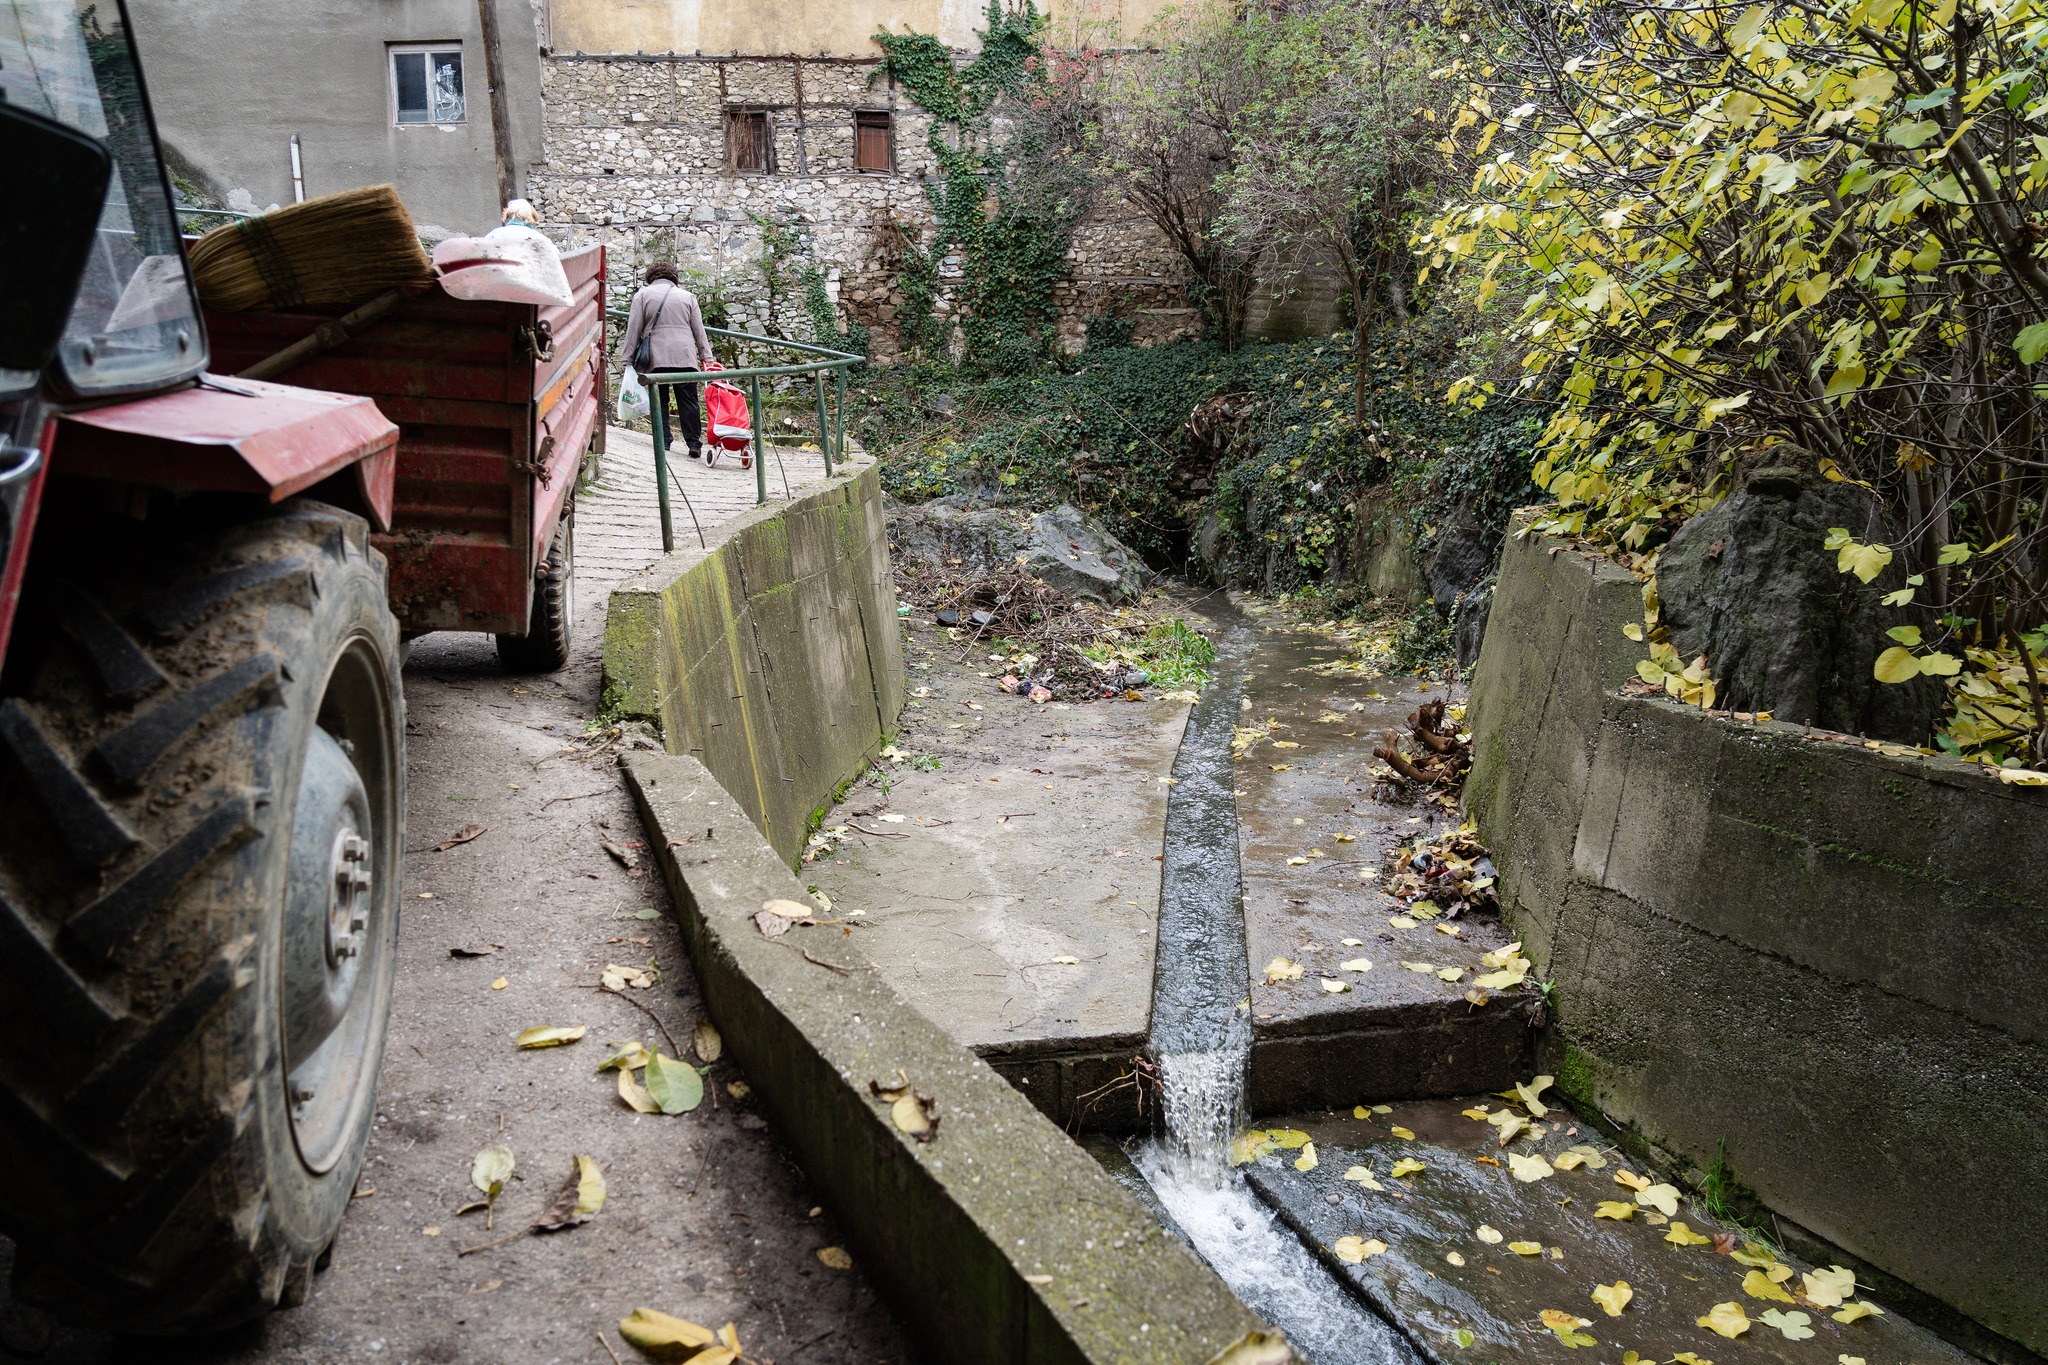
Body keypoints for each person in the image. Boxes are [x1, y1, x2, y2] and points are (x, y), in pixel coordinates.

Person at [619, 262, 715, 459]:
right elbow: (699, 331)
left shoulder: (642, 296)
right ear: (674, 278)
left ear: (650, 277)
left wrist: (627, 358)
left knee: (659, 400)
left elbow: (633, 329)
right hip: (685, 356)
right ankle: (694, 443)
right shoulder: (688, 297)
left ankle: (664, 441)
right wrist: (707, 357)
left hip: (656, 356)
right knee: (688, 400)